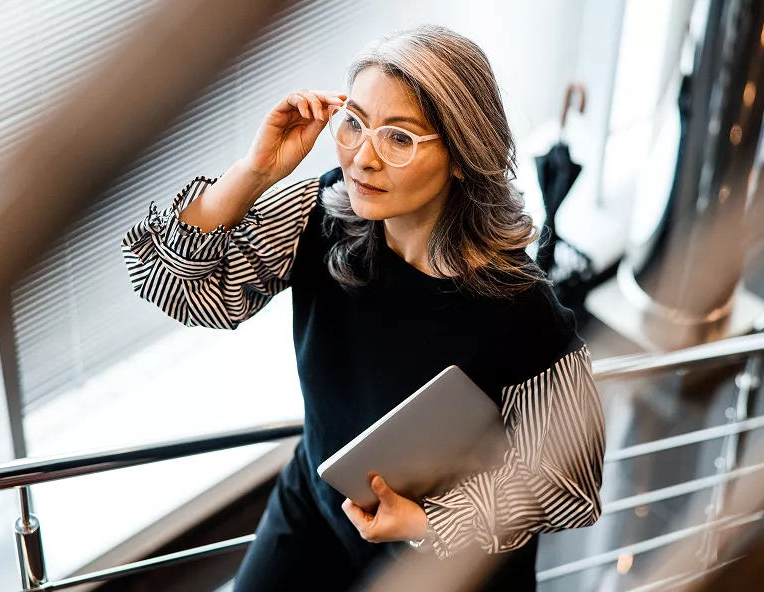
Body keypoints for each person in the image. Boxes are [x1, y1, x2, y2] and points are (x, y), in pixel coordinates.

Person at [121, 24, 605, 591]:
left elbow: (571, 487)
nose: (363, 159)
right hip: (316, 511)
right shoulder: (326, 213)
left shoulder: (522, 307)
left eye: (399, 138)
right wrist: (255, 173)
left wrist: (428, 519)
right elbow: (171, 285)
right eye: (354, 124)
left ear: (460, 155)